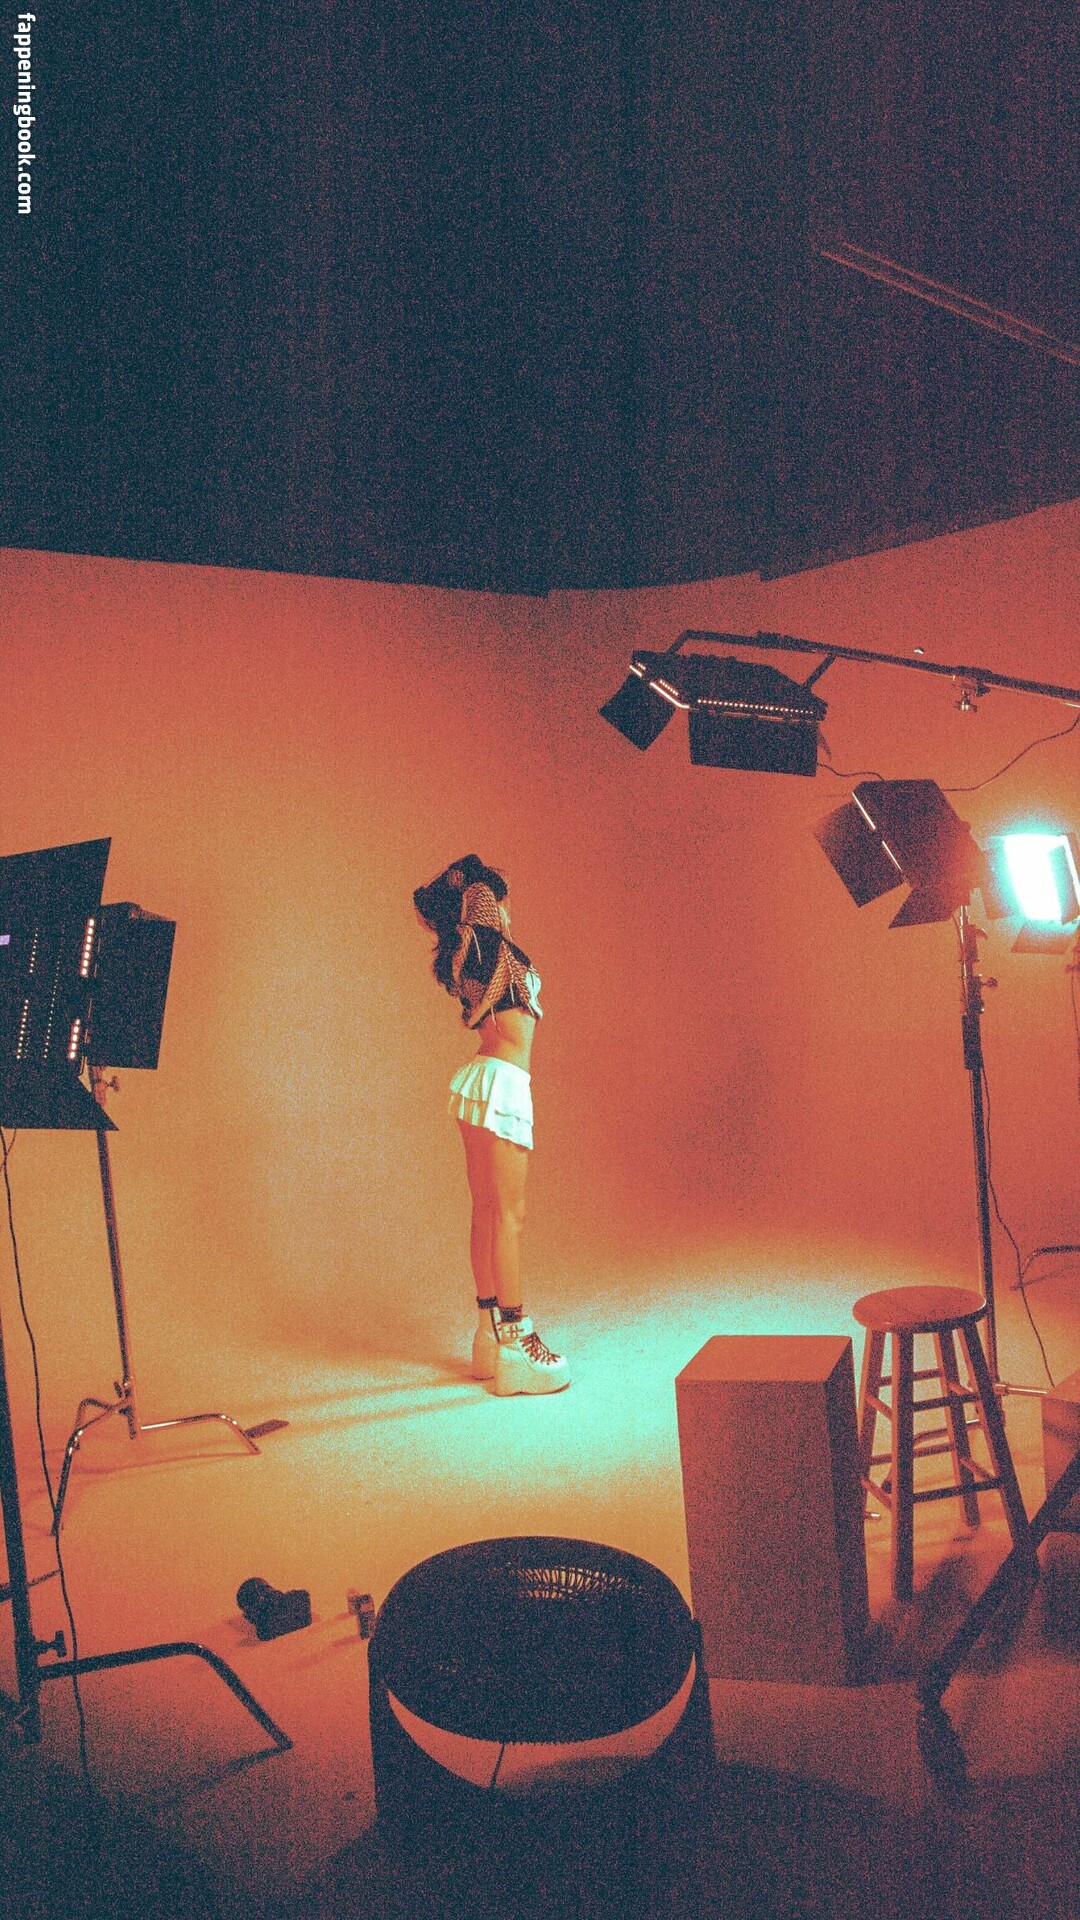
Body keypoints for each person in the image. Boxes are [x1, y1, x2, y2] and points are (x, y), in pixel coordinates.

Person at [413, 856, 570, 1395]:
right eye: (501, 899)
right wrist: (474, 893)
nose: (508, 908)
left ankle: (487, 1333)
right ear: (488, 902)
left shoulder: (475, 954)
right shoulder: (492, 948)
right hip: (503, 1084)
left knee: (485, 1210)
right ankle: (517, 1343)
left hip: (480, 1077)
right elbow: (480, 927)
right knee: (509, 1216)